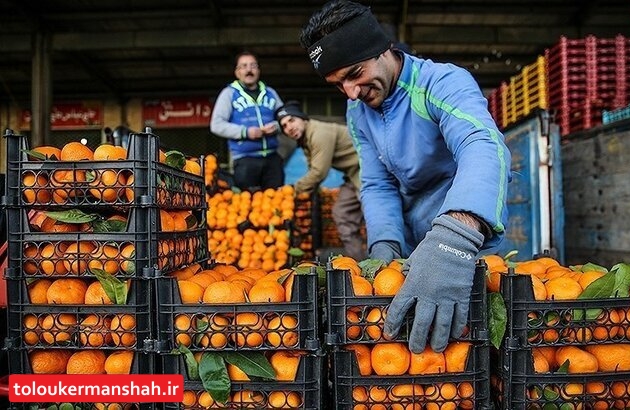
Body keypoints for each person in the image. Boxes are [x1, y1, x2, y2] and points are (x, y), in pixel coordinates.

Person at [301, 0, 511, 354]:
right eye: (338, 85)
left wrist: (455, 238)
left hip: (462, 244)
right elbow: (377, 182)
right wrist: (385, 245)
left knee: (464, 349)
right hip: (413, 250)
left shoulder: (441, 82)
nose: (351, 93)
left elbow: (482, 145)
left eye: (354, 74)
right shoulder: (358, 111)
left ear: (383, 50)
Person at [276, 100, 366, 261]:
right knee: (342, 213)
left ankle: (386, 262)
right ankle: (360, 263)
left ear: (303, 118)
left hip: (366, 170)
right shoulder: (305, 141)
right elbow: (313, 171)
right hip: (352, 175)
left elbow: (318, 172)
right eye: (284, 126)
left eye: (291, 120)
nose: (289, 127)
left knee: (374, 212)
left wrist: (292, 190)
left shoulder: (319, 133)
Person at [210, 51, 284, 190]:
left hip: (272, 159)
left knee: (277, 202)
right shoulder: (229, 93)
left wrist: (276, 126)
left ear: (259, 70)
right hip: (245, 160)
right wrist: (246, 132)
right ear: (237, 72)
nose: (249, 70)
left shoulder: (270, 92)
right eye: (243, 66)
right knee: (246, 205)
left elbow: (285, 118)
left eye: (253, 66)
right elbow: (216, 125)